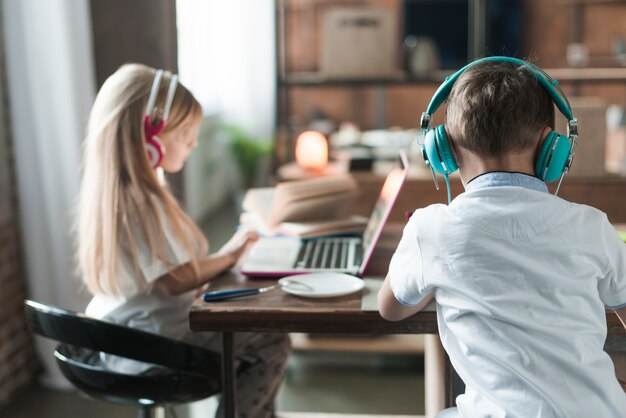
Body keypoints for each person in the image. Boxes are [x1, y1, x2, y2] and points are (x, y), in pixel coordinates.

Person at [378, 57, 626, 418]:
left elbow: (391, 308)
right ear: (550, 149)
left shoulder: (431, 229)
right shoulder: (592, 225)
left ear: (443, 150)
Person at [77, 63, 290, 418]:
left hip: (126, 341)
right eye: (185, 134)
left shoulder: (118, 195)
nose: (193, 143)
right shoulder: (141, 203)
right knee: (272, 342)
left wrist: (226, 255)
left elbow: (169, 275)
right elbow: (175, 279)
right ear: (150, 136)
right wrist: (231, 254)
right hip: (153, 347)